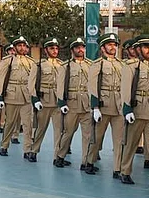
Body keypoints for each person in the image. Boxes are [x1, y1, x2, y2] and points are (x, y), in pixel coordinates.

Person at [118, 35, 149, 183]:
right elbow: (126, 89)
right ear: (139, 49)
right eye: (147, 47)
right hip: (137, 108)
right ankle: (125, 171)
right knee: (131, 143)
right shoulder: (131, 66)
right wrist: (127, 110)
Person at [85, 32, 124, 176]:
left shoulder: (122, 65)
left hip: (118, 106)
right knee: (96, 137)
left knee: (119, 140)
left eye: (114, 44)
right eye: (109, 45)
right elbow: (92, 86)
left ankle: (117, 169)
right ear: (102, 48)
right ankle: (90, 161)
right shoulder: (97, 64)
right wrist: (95, 107)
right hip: (103, 105)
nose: (113, 47)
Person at [53, 38, 93, 167]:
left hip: (86, 104)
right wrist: (62, 103)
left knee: (88, 135)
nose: (80, 50)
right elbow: (60, 86)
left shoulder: (91, 65)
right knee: (68, 132)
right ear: (72, 50)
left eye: (82, 47)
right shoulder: (65, 66)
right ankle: (60, 156)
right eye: (77, 47)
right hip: (72, 104)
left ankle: (85, 162)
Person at [0, 36, 35, 157]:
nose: (22, 48)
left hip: (26, 95)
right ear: (14, 47)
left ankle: (27, 150)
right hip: (11, 94)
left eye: (24, 46)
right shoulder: (8, 60)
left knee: (28, 124)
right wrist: (0, 97)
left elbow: (34, 81)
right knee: (10, 123)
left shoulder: (31, 62)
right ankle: (4, 145)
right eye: (19, 46)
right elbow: (1, 79)